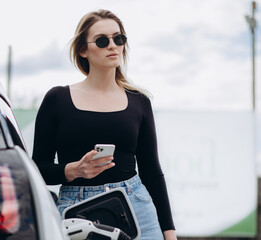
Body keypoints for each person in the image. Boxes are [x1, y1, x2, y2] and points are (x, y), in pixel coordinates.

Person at [32, 9, 177, 240]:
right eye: (102, 40)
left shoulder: (139, 101)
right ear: (83, 50)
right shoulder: (57, 99)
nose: (113, 45)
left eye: (118, 38)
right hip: (77, 212)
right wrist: (73, 170)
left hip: (138, 208)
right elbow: (37, 169)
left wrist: (169, 233)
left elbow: (152, 172)